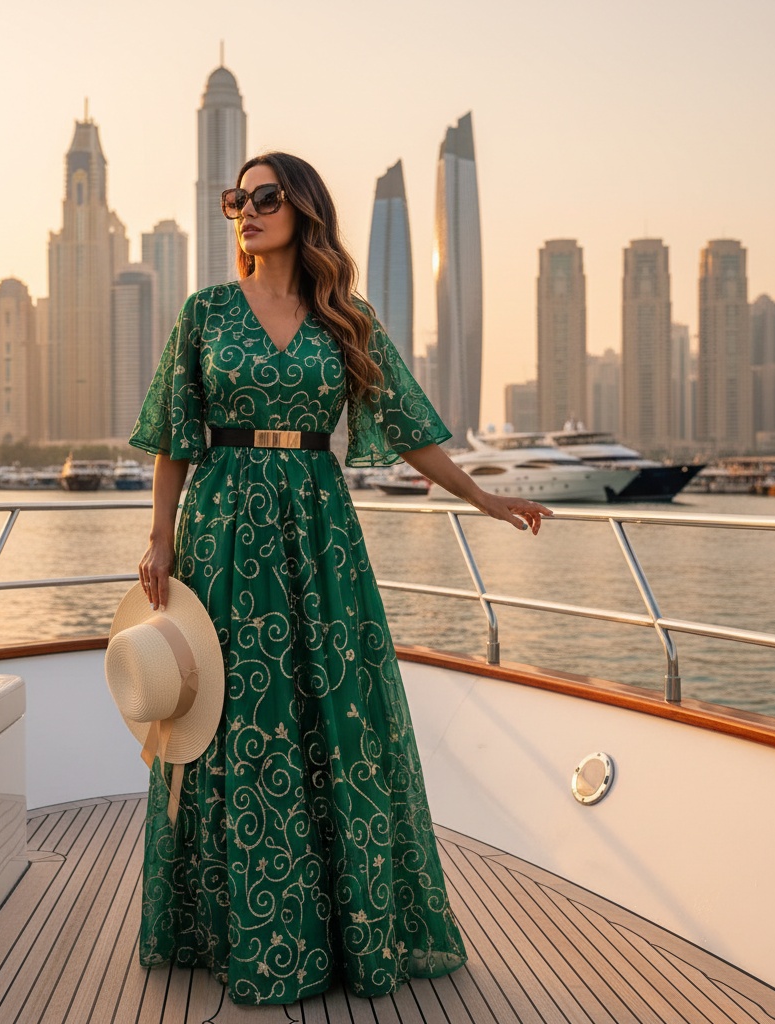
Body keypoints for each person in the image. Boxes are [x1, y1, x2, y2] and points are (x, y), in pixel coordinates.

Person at [129, 151, 551, 1006]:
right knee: (234, 719)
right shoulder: (206, 312)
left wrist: (481, 496)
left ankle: (335, 927)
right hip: (223, 535)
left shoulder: (344, 320)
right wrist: (160, 539)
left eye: (264, 197)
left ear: (304, 209)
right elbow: (176, 434)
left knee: (332, 719)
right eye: (234, 200)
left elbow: (407, 426)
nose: (245, 211)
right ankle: (229, 926)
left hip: (319, 536)